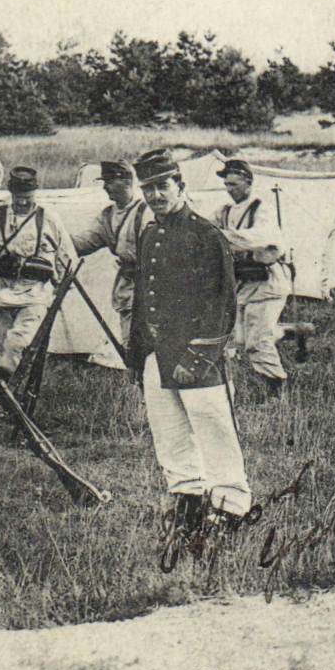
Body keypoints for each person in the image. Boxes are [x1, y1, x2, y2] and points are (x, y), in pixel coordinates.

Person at [125, 149, 251, 565]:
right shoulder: (149, 233)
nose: (156, 195)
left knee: (213, 429)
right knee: (171, 434)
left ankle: (233, 508)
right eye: (148, 188)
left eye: (163, 186)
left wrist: (197, 357)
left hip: (198, 354)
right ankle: (188, 501)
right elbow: (145, 299)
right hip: (158, 355)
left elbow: (221, 303)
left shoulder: (204, 234)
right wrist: (138, 353)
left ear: (181, 186)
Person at [0, 165, 75, 383]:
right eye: (18, 197)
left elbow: (67, 258)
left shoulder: (49, 219)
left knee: (18, 343)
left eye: (27, 197)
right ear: (11, 193)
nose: (22, 202)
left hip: (35, 295)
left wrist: (61, 286)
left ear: (35, 194)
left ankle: (12, 391)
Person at [211, 159, 290, 400]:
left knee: (257, 341)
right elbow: (205, 230)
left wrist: (221, 237)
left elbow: (257, 238)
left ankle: (276, 390)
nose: (229, 188)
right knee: (243, 340)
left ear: (248, 182)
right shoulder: (223, 212)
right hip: (243, 284)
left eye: (234, 184)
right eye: (226, 184)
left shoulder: (261, 209)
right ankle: (287, 331)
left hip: (267, 282)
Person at [68, 159, 147, 341]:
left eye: (110, 182)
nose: (105, 187)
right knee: (131, 344)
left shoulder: (146, 211)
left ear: (127, 182)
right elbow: (83, 243)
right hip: (128, 290)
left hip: (152, 290)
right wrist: (54, 237)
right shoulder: (107, 216)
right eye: (104, 182)